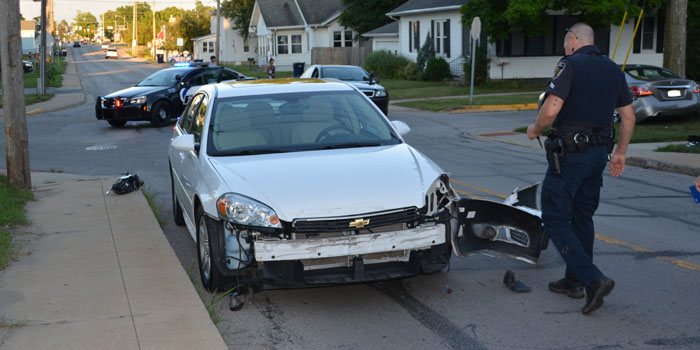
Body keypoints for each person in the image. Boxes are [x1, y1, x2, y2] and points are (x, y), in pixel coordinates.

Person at [526, 23, 636, 315]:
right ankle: (574, 281)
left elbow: (551, 110)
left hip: (571, 155)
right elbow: (628, 116)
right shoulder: (614, 69)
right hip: (600, 153)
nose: (564, 48)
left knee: (554, 215)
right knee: (582, 216)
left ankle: (593, 279)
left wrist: (535, 128)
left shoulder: (570, 64)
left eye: (565, 43)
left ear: (574, 40)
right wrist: (621, 153)